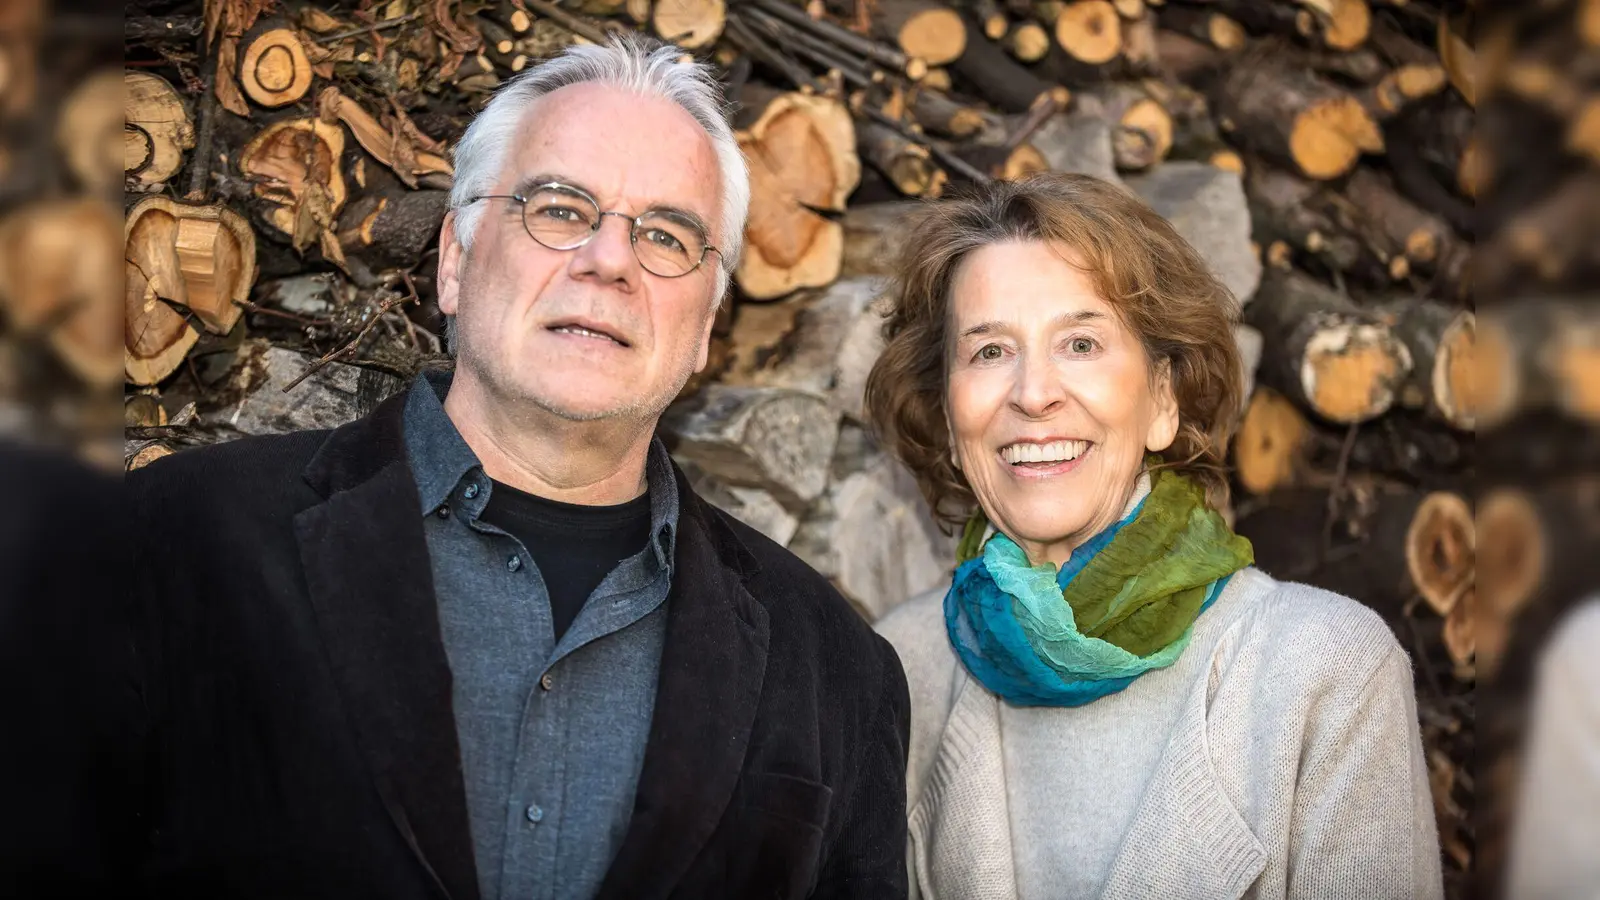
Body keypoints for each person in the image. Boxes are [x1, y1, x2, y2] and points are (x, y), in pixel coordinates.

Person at [123, 36, 908, 900]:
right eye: (561, 209)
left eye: (667, 235)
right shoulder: (177, 539)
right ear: (455, 260)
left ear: (706, 328)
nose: (609, 261)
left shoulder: (837, 668)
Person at [865, 173, 1442, 900]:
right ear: (950, 422)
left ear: (1163, 399)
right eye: (988, 352)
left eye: (1080, 343)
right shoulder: (895, 673)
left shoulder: (1325, 671)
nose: (1033, 393)